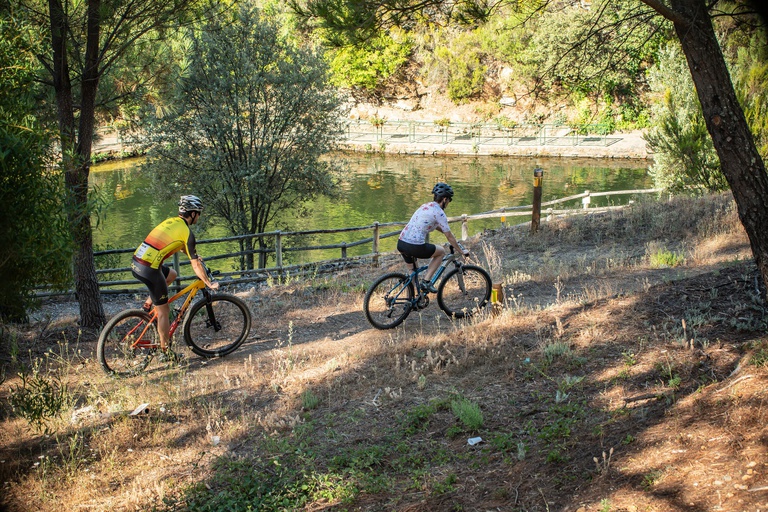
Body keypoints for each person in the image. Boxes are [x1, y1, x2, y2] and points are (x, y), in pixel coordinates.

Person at [131, 195, 219, 361]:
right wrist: (208, 282)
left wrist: (194, 255)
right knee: (164, 311)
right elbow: (195, 265)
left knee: (171, 275)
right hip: (149, 269)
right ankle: (166, 353)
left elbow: (177, 244)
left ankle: (148, 304)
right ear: (192, 214)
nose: (198, 217)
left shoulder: (171, 222)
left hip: (137, 263)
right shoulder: (187, 232)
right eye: (198, 213)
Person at [397, 182, 470, 293]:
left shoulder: (425, 206)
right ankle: (426, 282)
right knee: (441, 252)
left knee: (413, 272)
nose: (449, 202)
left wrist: (447, 234)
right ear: (445, 199)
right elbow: (449, 236)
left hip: (401, 242)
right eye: (449, 200)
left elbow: (432, 224)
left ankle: (410, 301)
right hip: (415, 245)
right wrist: (461, 250)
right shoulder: (439, 213)